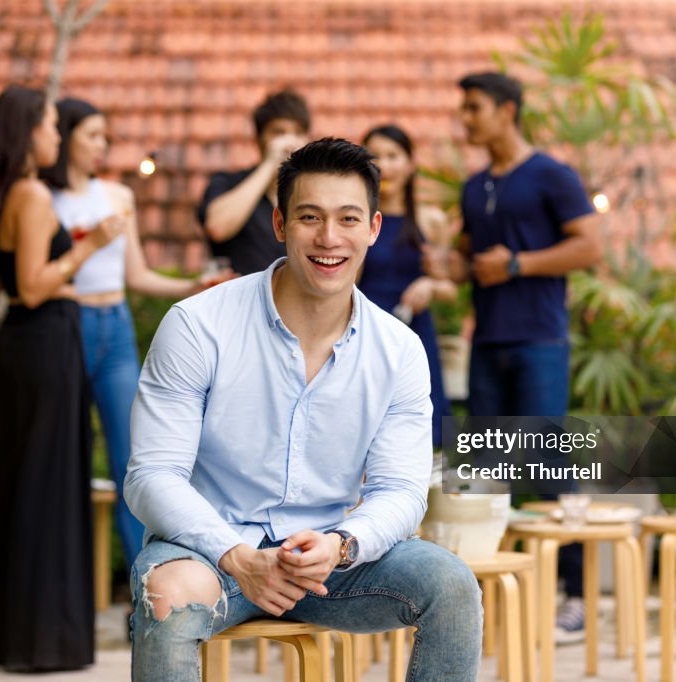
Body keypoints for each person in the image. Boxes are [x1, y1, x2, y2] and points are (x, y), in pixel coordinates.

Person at [125, 138, 483, 681]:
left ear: (374, 228)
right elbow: (151, 476)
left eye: (348, 219)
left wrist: (341, 545)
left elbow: (402, 492)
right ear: (279, 223)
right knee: (168, 596)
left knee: (452, 586)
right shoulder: (198, 326)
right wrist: (240, 558)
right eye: (310, 217)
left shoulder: (398, 350)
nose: (329, 238)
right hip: (215, 552)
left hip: (328, 561)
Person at [0, 85, 124, 671]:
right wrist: (88, 248)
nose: (57, 136)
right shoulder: (31, 193)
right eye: (52, 126)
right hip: (46, 340)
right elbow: (33, 287)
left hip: (17, 347)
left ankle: (5, 633)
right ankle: (43, 640)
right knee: (49, 483)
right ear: (29, 129)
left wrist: (52, 276)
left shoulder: (1, 193)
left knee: (18, 478)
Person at [442, 72, 602, 643]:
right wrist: (453, 265)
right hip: (488, 343)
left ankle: (576, 599)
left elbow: (589, 245)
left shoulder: (552, 175)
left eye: (475, 108)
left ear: (508, 111)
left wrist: (517, 265)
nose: (466, 119)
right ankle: (485, 600)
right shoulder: (474, 185)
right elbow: (466, 258)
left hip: (540, 342)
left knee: (549, 469)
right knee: (484, 475)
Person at [39, 98, 219, 574]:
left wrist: (191, 286)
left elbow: (135, 274)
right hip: (65, 325)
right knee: (64, 461)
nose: (101, 146)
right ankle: (66, 591)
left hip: (115, 329)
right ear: (67, 136)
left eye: (105, 137)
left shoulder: (119, 196)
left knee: (133, 462)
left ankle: (143, 585)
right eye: (92, 135)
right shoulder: (42, 197)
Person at [360, 124, 456, 448]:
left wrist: (430, 284)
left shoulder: (431, 220)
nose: (385, 165)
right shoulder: (354, 219)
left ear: (410, 163)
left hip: (416, 336)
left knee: (419, 436)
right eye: (376, 156)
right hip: (366, 338)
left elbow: (450, 288)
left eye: (393, 156)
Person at [197, 88, 310, 275]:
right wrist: (270, 164)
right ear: (259, 139)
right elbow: (217, 227)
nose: (289, 141)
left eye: (298, 133)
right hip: (239, 298)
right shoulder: (227, 182)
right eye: (278, 132)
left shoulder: (309, 193)